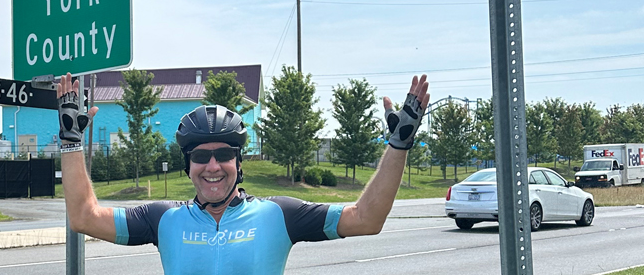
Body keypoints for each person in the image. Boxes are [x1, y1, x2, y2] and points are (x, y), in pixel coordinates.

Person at [56, 72, 429, 275]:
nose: (213, 166)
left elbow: (367, 219)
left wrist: (399, 147)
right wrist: (71, 141)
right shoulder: (162, 219)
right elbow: (84, 217)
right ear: (188, 165)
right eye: (201, 156)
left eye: (223, 155)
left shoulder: (279, 214)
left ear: (238, 162)